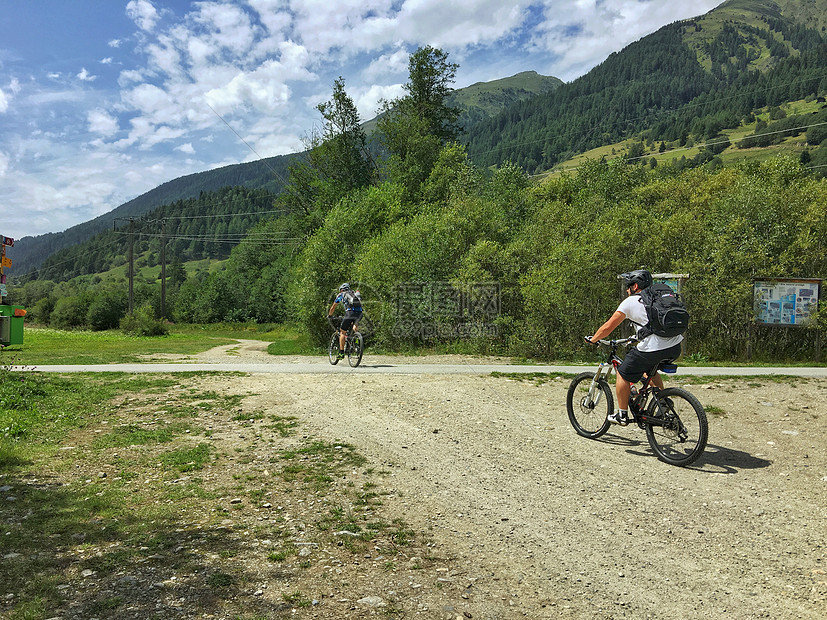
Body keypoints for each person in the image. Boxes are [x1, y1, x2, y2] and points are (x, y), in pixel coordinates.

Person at [586, 270, 683, 426]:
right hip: (675, 346)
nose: (626, 289)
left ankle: (622, 415)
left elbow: (608, 327)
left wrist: (594, 339)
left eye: (628, 286)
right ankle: (663, 402)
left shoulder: (631, 301)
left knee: (623, 373)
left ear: (635, 286)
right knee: (649, 370)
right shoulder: (657, 299)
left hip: (654, 347)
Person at [328, 283, 363, 359]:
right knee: (354, 327)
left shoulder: (341, 294)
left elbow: (333, 307)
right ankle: (357, 342)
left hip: (350, 313)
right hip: (360, 313)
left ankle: (341, 353)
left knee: (342, 332)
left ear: (341, 289)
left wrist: (330, 315)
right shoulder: (354, 293)